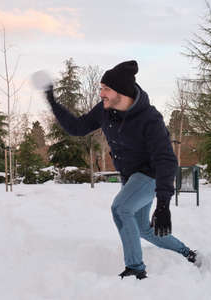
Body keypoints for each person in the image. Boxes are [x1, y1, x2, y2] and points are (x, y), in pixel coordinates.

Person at [43, 60, 199, 279]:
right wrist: (53, 103)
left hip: (150, 175)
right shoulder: (106, 111)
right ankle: (188, 253)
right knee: (144, 229)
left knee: (121, 208)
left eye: (106, 89)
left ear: (121, 92)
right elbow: (78, 128)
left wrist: (163, 204)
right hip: (131, 178)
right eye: (101, 88)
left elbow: (166, 160)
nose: (101, 94)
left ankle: (136, 269)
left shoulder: (150, 119)